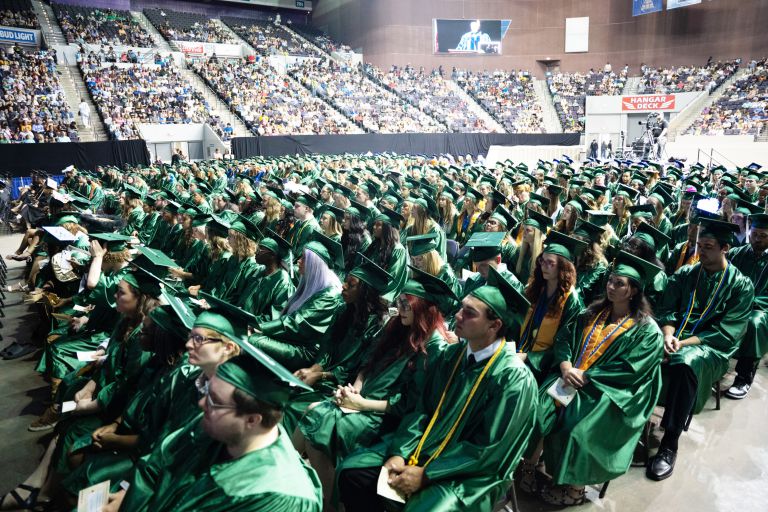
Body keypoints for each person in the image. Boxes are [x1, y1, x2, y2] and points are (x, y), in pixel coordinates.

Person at [337, 267, 537, 511]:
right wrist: (400, 453)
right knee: (353, 471)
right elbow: (421, 408)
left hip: (470, 475)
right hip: (424, 447)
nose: (458, 316)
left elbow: (488, 451)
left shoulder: (514, 379)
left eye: (469, 313)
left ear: (494, 325)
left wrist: (427, 475)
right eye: (462, 307)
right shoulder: (452, 355)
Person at [105, 326, 322, 511]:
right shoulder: (213, 425)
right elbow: (158, 464)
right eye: (207, 393)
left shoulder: (277, 496)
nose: (201, 404)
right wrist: (129, 498)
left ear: (252, 420)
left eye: (214, 400)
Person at [295, 268, 450, 507]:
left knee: (316, 425)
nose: (400, 310)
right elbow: (368, 364)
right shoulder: (398, 327)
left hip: (387, 418)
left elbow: (410, 404)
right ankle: (318, 494)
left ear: (424, 308)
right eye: (400, 303)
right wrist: (355, 389)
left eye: (407, 305)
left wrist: (361, 403)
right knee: (312, 412)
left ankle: (328, 502)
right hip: (363, 402)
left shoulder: (434, 347)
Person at [521, 251, 664, 506]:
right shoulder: (592, 313)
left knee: (578, 426)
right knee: (540, 407)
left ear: (633, 291)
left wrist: (587, 376)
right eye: (610, 280)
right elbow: (564, 338)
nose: (610, 286)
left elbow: (631, 370)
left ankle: (575, 489)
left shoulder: (647, 331)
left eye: (619, 283)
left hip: (610, 391)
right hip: (570, 377)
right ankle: (529, 467)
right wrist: (565, 366)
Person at [649, 217, 754, 481]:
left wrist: (680, 344)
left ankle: (669, 443)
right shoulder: (686, 274)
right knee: (639, 349)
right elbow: (667, 310)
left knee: (686, 363)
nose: (701, 251)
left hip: (711, 349)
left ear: (724, 249)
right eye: (700, 245)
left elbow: (725, 333)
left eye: (708, 246)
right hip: (673, 338)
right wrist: (668, 335)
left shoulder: (741, 286)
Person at [248, 231, 345, 370]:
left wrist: (262, 328)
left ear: (315, 264)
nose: (298, 261)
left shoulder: (330, 294)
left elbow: (296, 323)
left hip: (306, 350)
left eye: (304, 258)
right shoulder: (312, 283)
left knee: (254, 340)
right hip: (293, 339)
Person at [517, 231, 585, 382]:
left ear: (563, 267)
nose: (544, 267)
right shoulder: (536, 288)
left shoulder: (572, 301)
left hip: (543, 365)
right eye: (542, 261)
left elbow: (564, 344)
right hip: (520, 350)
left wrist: (529, 357)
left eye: (551, 263)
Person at [724, 213, 768, 399]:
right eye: (754, 233)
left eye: (763, 235)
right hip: (733, 303)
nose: (756, 239)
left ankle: (744, 377)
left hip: (761, 309)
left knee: (754, 323)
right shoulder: (736, 254)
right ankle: (712, 366)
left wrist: (750, 303)